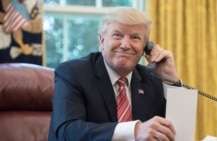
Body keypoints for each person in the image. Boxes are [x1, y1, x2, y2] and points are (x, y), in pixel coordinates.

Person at [48, 6, 181, 141]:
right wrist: (133, 130)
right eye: (117, 35)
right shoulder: (73, 73)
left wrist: (172, 83)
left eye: (135, 38)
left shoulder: (151, 79)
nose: (125, 45)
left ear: (145, 48)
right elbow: (66, 132)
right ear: (102, 40)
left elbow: (180, 134)